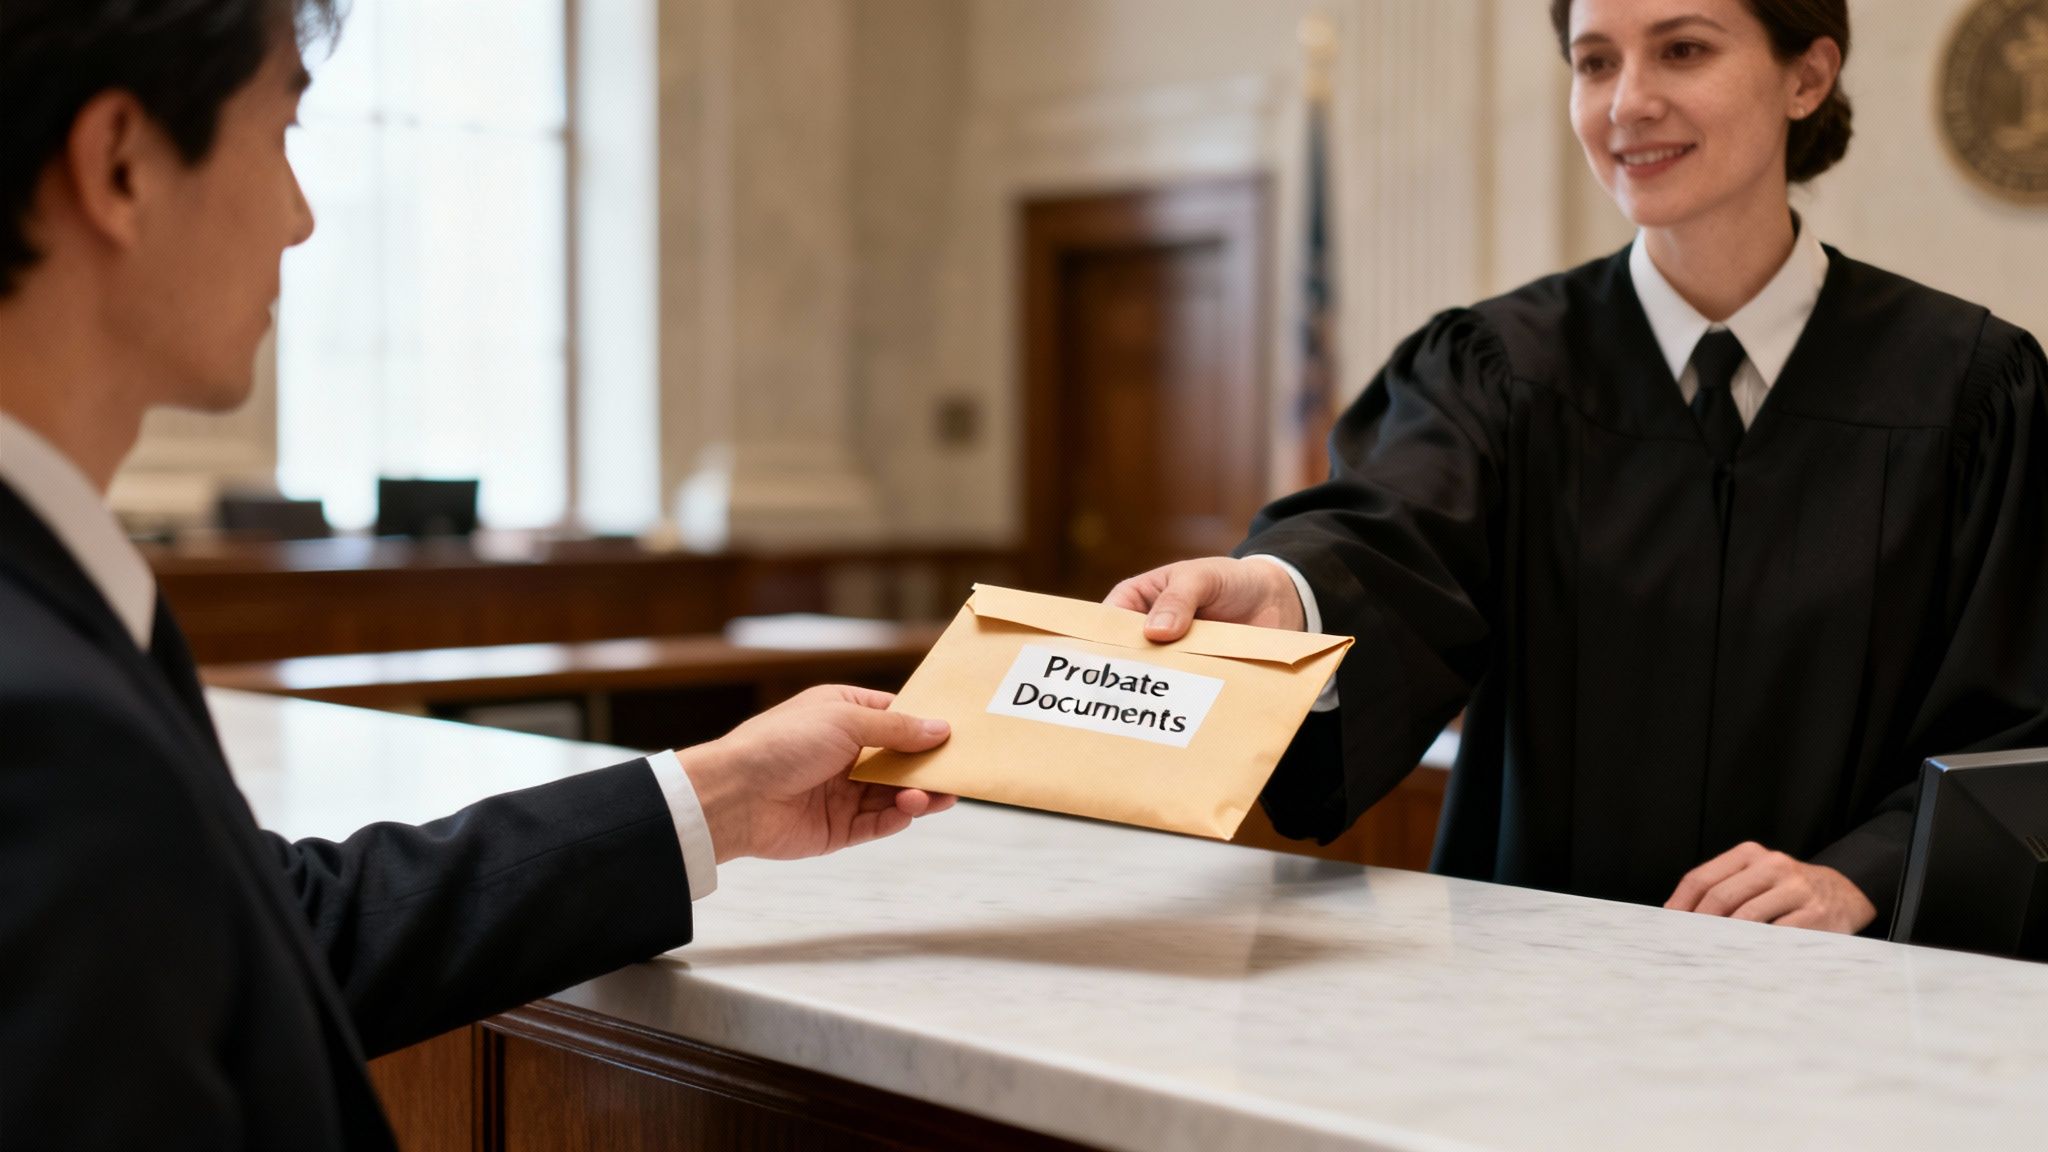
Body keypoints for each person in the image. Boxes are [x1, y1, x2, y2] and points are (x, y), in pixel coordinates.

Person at [0, 2, 953, 1147]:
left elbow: (266, 934)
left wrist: (721, 796)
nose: (301, 221)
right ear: (121, 167)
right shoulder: (40, 722)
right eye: (281, 136)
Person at [1112, 0, 2048, 938]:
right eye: (1595, 62)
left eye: (1682, 50)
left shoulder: (1966, 390)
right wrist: (1284, 594)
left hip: (1843, 1003)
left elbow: (2019, 720)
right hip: (1542, 990)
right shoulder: (1495, 372)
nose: (1627, 103)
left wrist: (1864, 874)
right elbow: (1392, 526)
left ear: (1806, 76)